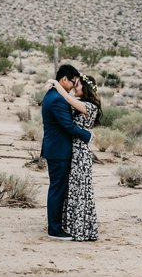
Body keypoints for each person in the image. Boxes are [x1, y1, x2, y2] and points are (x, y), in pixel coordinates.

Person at [41, 64, 93, 241]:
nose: (72, 86)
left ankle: (56, 225)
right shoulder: (56, 99)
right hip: (58, 151)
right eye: (72, 82)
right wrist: (87, 135)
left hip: (56, 149)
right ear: (64, 79)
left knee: (58, 188)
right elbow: (67, 125)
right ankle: (54, 229)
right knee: (57, 189)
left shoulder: (54, 94)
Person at [48, 73, 102, 241]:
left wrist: (56, 84)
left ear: (85, 88)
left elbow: (69, 100)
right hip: (74, 151)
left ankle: (82, 228)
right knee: (73, 189)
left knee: (80, 190)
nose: (74, 87)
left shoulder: (89, 106)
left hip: (80, 153)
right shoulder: (82, 104)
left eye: (77, 84)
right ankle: (72, 225)